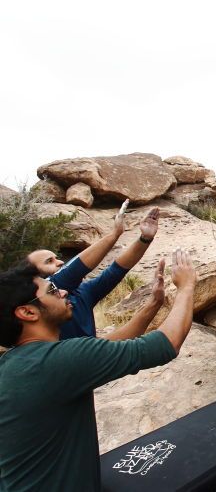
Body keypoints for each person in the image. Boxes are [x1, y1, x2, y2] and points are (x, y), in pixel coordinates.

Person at [0, 249, 197, 492]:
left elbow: (110, 346)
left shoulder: (18, 362)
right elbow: (166, 344)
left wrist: (154, 303)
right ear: (28, 312)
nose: (62, 291)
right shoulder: (58, 361)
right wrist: (187, 287)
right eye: (51, 290)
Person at [23, 203, 161, 340]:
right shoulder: (35, 304)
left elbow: (116, 270)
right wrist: (114, 235)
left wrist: (145, 239)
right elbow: (74, 269)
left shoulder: (81, 294)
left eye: (56, 258)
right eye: (49, 261)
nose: (60, 262)